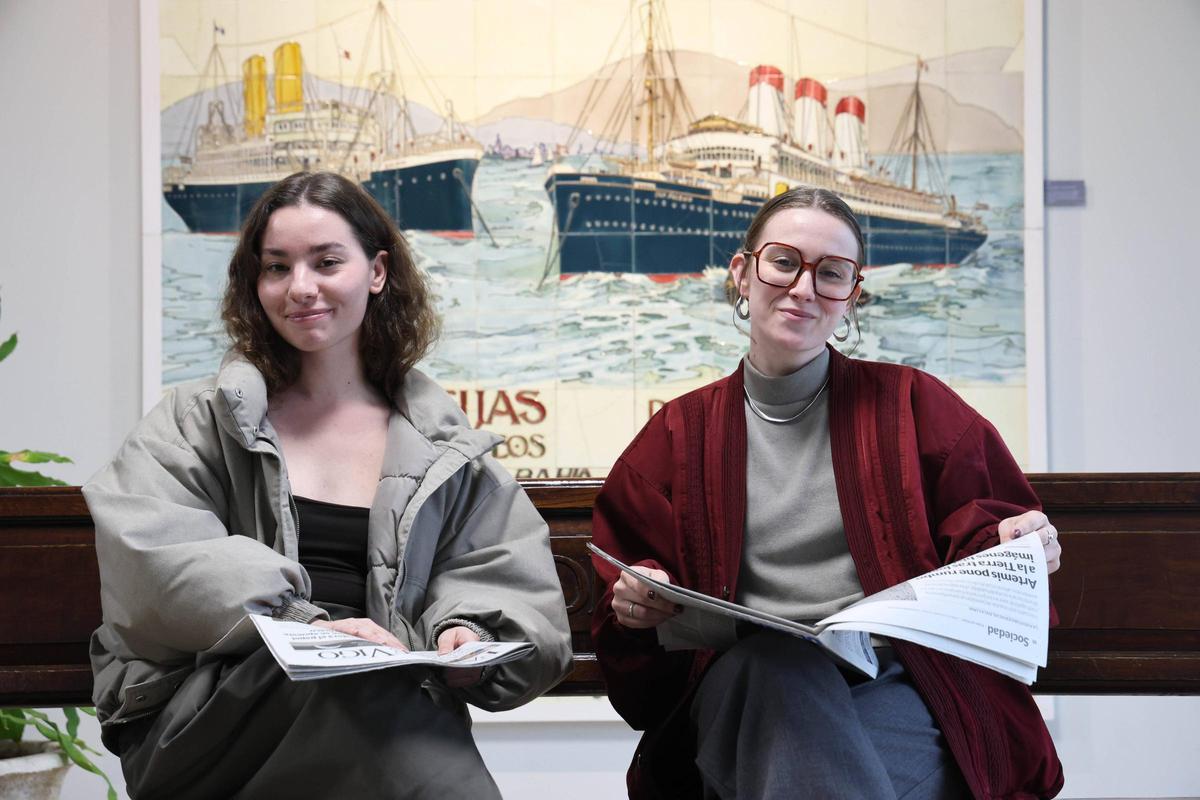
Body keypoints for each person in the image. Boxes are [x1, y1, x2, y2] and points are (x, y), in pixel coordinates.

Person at [84, 171, 573, 799]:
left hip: (385, 708)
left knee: (380, 700)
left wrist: (464, 634)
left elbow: (507, 578)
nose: (301, 288)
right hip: (207, 713)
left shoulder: (445, 447)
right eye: (277, 267)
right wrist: (304, 624)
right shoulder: (193, 421)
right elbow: (154, 561)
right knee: (373, 700)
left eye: (326, 262)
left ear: (376, 271)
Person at [590, 186, 1065, 800]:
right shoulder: (679, 434)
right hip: (740, 688)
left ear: (853, 296)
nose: (804, 288)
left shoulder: (915, 406)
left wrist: (1012, 545)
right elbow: (631, 578)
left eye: (832, 274)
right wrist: (637, 599)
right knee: (773, 666)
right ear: (743, 272)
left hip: (904, 690)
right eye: (785, 262)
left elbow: (985, 530)